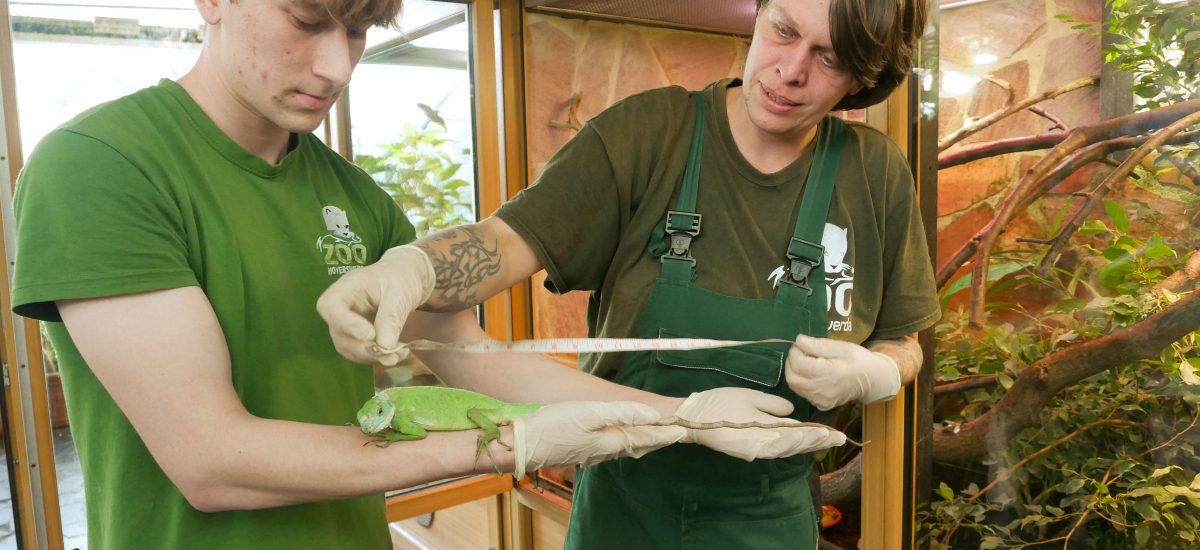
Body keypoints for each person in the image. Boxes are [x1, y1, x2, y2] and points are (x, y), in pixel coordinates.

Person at [10, 0, 837, 548]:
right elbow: (213, 460)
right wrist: (505, 444)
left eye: (361, 29)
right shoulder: (103, 166)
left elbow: (472, 360)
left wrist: (685, 414)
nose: (336, 65)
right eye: (306, 20)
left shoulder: (356, 199)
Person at [317, 0, 938, 547]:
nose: (790, 69)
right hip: (623, 501)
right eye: (782, 30)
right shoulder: (646, 133)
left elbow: (903, 339)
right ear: (757, 14)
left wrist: (881, 370)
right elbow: (503, 242)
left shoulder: (874, 173)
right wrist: (413, 269)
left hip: (768, 519)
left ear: (864, 75)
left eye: (828, 57)